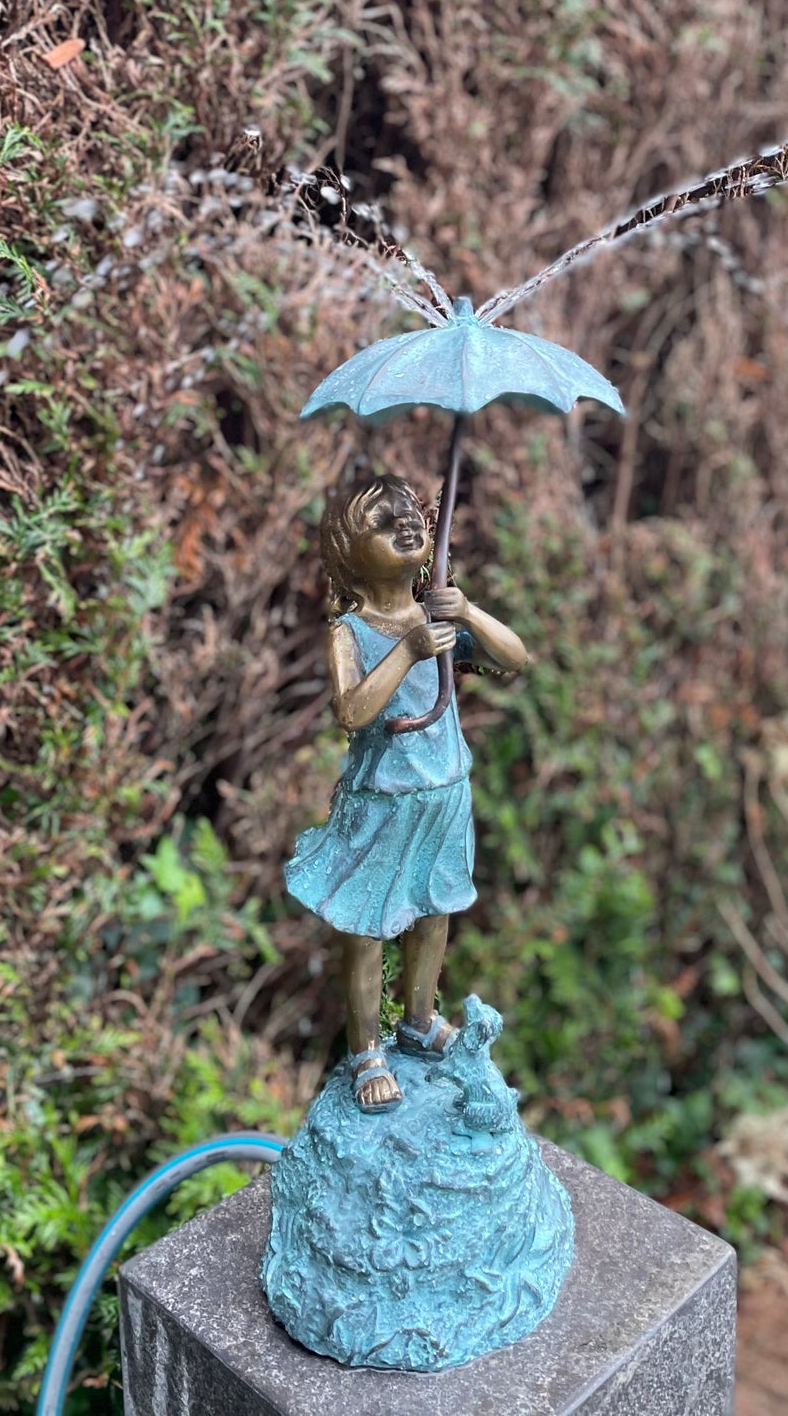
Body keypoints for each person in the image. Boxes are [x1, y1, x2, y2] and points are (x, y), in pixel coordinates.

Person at [285, 471, 527, 1112]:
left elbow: (514, 658)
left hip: (444, 792)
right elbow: (353, 711)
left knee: (434, 912)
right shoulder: (351, 630)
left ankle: (419, 1018)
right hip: (381, 802)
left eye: (411, 514)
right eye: (382, 522)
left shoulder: (438, 612)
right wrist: (410, 650)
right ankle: (367, 1050)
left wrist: (467, 610)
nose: (407, 525)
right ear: (347, 550)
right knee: (366, 929)